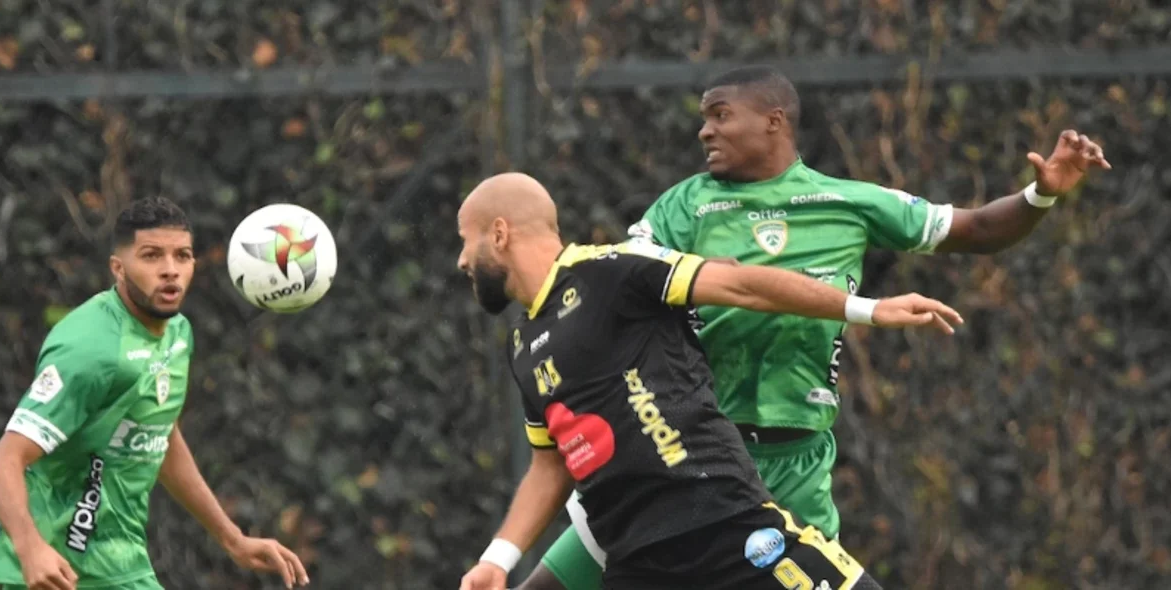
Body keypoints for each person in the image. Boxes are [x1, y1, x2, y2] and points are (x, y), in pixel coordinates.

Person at [520, 65, 1112, 590]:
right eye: (704, 119)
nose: (705, 131)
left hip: (793, 462)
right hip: (681, 456)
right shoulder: (684, 206)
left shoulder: (847, 202)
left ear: (774, 120)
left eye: (720, 115)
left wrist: (1040, 195)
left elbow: (977, 229)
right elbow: (621, 289)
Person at [454, 173, 963, 590]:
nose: (461, 260)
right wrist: (497, 559)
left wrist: (867, 309)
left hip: (721, 524)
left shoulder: (610, 271)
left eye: (465, 240)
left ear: (499, 234)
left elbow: (741, 285)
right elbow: (549, 466)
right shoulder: (522, 345)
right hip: (637, 567)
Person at [0, 197, 309, 590]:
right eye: (151, 256)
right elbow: (3, 462)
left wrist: (233, 539)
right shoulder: (90, 348)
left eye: (182, 256)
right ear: (118, 268)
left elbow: (158, 432)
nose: (170, 270)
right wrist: (31, 551)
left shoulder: (177, 334)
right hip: (61, 568)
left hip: (120, 561)